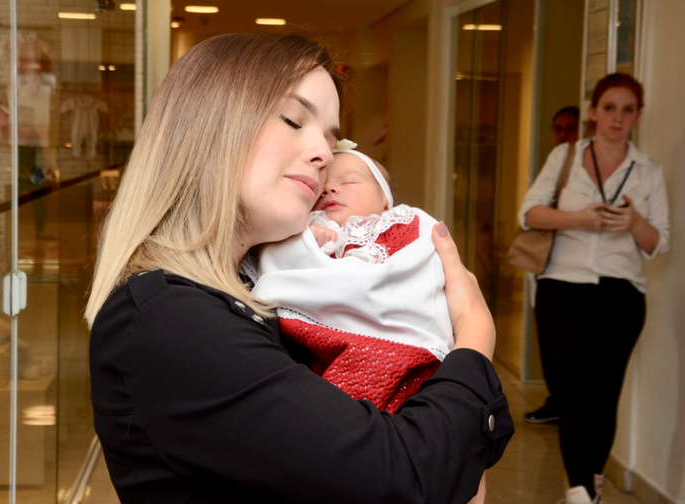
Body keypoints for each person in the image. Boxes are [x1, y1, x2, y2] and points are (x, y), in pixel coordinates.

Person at [87, 33, 513, 504]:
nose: (325, 155)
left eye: (332, 138)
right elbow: (402, 476)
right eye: (294, 119)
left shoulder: (257, 293)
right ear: (210, 125)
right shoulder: (170, 318)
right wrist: (474, 338)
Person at [518, 73, 669, 504]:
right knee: (572, 392)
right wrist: (580, 218)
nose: (617, 118)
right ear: (593, 111)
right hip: (561, 290)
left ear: (638, 116)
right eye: (609, 108)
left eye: (627, 110)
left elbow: (659, 243)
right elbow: (529, 214)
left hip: (621, 296)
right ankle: (581, 491)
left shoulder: (648, 172)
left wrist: (633, 222)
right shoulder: (565, 156)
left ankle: (589, 482)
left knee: (604, 397)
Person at [252, 144, 453, 414]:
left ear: (385, 200)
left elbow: (413, 266)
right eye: (323, 185)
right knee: (334, 401)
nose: (330, 189)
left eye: (348, 181)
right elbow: (285, 271)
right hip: (336, 343)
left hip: (402, 332)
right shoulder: (309, 229)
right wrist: (307, 243)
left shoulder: (400, 223)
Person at [524, 104, 580, 425]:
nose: (563, 135)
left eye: (570, 128)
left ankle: (565, 403)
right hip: (546, 262)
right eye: (558, 129)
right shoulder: (553, 166)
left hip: (571, 268)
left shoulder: (582, 168)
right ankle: (556, 400)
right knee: (550, 341)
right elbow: (530, 212)